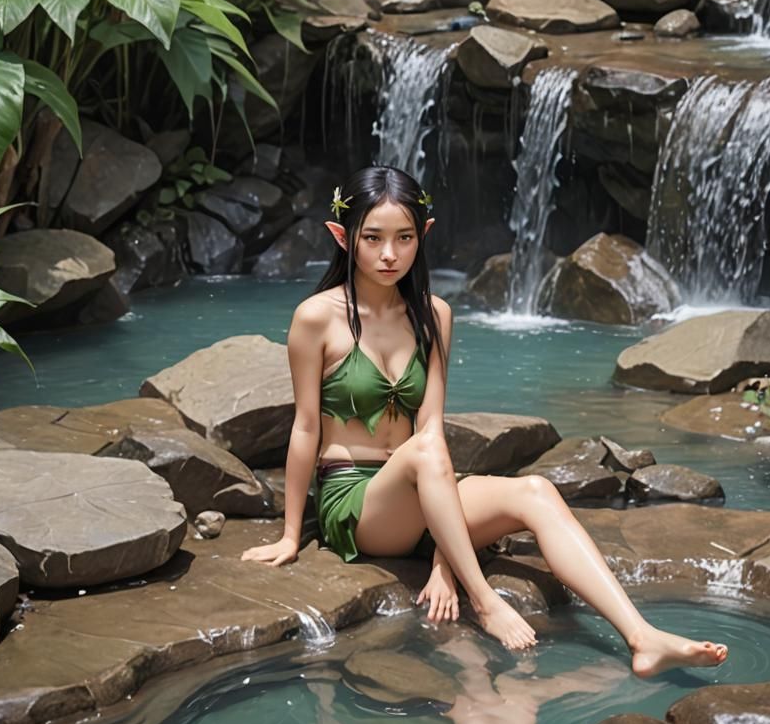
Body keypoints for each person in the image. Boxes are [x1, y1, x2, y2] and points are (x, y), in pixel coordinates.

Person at [241, 166, 728, 670]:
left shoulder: (435, 315)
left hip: (424, 491)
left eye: (404, 238)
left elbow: (430, 426)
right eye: (373, 238)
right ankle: (488, 603)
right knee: (427, 451)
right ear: (344, 237)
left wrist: (443, 561)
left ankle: (642, 637)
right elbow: (305, 427)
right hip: (358, 505)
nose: (389, 254)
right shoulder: (317, 317)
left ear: (422, 235)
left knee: (535, 490)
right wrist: (291, 535)